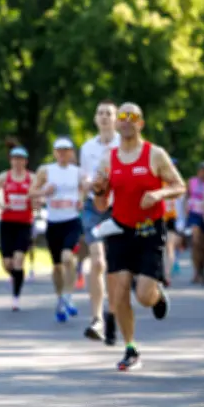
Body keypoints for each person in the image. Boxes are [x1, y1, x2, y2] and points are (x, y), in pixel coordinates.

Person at [91, 102, 183, 371]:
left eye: (133, 117)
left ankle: (157, 296)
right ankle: (131, 349)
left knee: (143, 296)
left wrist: (159, 194)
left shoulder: (155, 154)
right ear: (117, 124)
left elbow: (180, 185)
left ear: (141, 123)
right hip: (119, 230)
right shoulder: (109, 158)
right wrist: (98, 190)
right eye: (123, 117)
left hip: (149, 230)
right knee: (118, 293)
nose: (127, 121)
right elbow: (100, 205)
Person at [79, 100, 120, 344]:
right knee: (98, 261)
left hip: (118, 208)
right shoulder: (87, 148)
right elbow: (84, 177)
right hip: (93, 207)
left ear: (115, 119)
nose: (104, 117)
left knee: (116, 266)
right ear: (95, 118)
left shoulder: (123, 145)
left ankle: (113, 314)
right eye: (100, 113)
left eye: (109, 113)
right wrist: (86, 184)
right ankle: (97, 319)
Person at [30, 137, 83, 322]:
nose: (62, 153)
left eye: (66, 150)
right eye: (59, 150)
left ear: (71, 152)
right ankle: (60, 298)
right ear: (54, 152)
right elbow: (31, 192)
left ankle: (68, 296)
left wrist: (82, 199)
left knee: (68, 257)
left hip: (72, 221)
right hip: (53, 223)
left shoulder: (78, 172)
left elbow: (86, 190)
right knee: (58, 267)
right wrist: (44, 192)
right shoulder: (46, 171)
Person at [0, 146, 35, 311]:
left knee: (18, 259)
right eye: (14, 159)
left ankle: (16, 297)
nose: (17, 162)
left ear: (25, 161)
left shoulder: (32, 178)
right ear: (11, 160)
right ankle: (17, 277)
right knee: (7, 263)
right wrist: (1, 204)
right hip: (7, 223)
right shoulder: (3, 177)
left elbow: (38, 194)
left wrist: (34, 200)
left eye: (20, 159)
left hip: (24, 223)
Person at [186, 162, 204, 285]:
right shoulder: (191, 182)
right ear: (198, 171)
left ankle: (203, 270)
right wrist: (184, 215)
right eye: (202, 170)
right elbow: (186, 198)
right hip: (194, 214)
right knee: (196, 241)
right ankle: (196, 271)